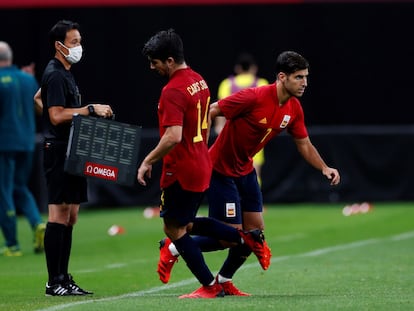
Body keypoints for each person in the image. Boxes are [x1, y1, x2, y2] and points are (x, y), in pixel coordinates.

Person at [159, 51, 340, 296]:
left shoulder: (294, 108)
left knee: (254, 235)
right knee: (230, 238)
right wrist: (198, 146)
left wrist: (324, 167)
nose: (304, 83)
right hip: (220, 170)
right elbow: (211, 110)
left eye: (306, 77)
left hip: (245, 171)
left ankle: (223, 279)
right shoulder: (254, 97)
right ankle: (173, 246)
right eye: (299, 77)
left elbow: (304, 144)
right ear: (281, 77)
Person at [137, 29, 271, 299]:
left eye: (155, 61)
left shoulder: (172, 90)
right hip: (201, 162)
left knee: (174, 228)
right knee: (184, 223)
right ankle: (247, 238)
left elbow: (173, 136)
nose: (153, 67)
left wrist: (148, 160)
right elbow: (207, 125)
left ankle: (210, 284)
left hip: (182, 167)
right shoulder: (200, 81)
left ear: (171, 60)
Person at [38, 20, 113, 296]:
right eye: (73, 43)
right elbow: (55, 114)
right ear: (59, 46)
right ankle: (53, 281)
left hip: (72, 148)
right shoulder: (56, 73)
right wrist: (89, 109)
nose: (78, 47)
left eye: (79, 41)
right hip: (58, 150)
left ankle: (63, 277)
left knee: (71, 216)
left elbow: (39, 99)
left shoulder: (65, 72)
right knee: (58, 214)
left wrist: (78, 115)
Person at [0, 41, 46, 257]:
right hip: (27, 142)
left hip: (4, 144)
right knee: (20, 186)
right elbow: (38, 109)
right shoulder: (28, 79)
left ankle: (12, 244)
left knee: (4, 191)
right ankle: (37, 223)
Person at [214, 53, 269, 185]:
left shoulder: (226, 84)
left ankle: (234, 202)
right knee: (255, 172)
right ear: (254, 68)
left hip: (231, 136)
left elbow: (219, 109)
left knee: (229, 172)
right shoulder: (262, 83)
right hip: (255, 136)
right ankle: (255, 203)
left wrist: (220, 130)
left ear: (238, 68)